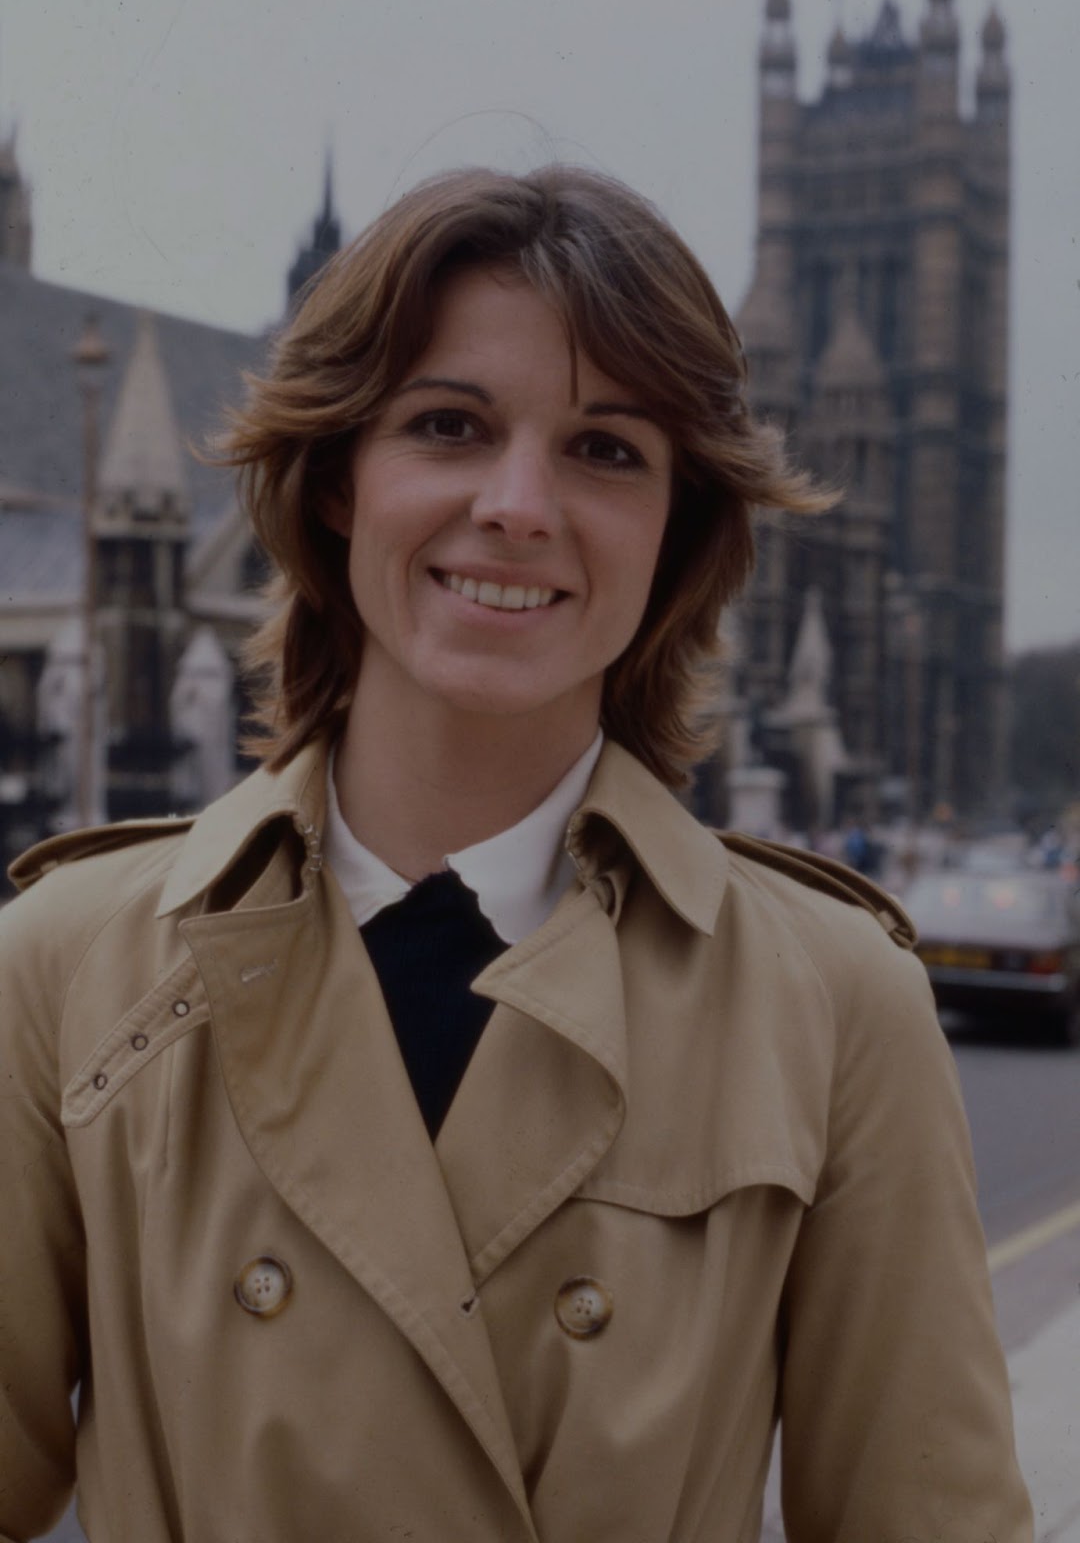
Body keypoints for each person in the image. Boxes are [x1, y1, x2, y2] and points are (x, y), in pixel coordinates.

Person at [1, 165, 1031, 1542]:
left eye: (607, 449)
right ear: (335, 488)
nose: (519, 504)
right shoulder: (67, 963)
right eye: (448, 425)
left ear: (677, 539)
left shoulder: (838, 1005)